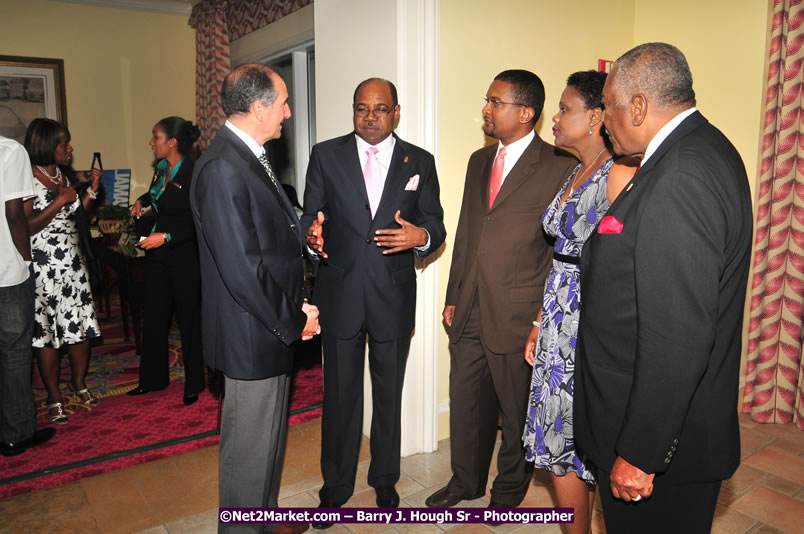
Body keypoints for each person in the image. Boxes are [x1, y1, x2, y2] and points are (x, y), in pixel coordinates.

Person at [574, 43, 752, 533]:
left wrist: (640, 452)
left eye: (607, 106)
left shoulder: (680, 176)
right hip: (659, 428)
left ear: (637, 105)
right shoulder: (701, 148)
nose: (603, 120)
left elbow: (677, 335)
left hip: (660, 448)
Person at [426, 70, 577, 510]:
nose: (486, 110)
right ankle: (464, 483)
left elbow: (556, 253)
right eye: (487, 101)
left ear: (526, 112)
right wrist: (454, 295)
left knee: (516, 413)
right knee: (467, 402)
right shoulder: (479, 160)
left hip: (519, 312)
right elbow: (469, 231)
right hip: (470, 306)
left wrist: (538, 317)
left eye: (496, 102)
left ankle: (507, 492)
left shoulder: (560, 166)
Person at [302, 77, 446, 525]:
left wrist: (420, 236)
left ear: (396, 112)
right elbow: (311, 215)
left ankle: (385, 477)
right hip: (340, 293)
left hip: (393, 295)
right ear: (353, 110)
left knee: (388, 392)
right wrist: (312, 237)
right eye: (362, 108)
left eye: (380, 109)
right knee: (340, 396)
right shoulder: (326, 154)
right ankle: (336, 486)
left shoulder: (418, 160)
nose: (370, 117)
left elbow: (435, 225)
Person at [190, 63, 318, 534]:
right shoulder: (224, 166)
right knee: (247, 453)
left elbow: (269, 237)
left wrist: (298, 298)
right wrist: (295, 318)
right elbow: (242, 269)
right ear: (259, 106)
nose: (287, 112)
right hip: (252, 331)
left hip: (267, 323)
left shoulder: (248, 155)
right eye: (283, 102)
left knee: (266, 444)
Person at [520, 71, 635, 534]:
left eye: (565, 109)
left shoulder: (620, 174)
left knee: (587, 440)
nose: (555, 117)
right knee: (556, 443)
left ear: (594, 118)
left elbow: (627, 264)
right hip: (556, 318)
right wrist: (538, 321)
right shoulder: (575, 168)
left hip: (592, 324)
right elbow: (559, 258)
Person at [23, 119, 102, 426]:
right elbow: (26, 226)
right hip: (44, 269)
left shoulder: (62, 174)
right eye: (63, 143)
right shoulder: (27, 178)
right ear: (46, 145)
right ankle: (54, 396)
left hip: (73, 264)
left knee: (78, 327)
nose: (69, 149)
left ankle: (79, 383)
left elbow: (75, 214)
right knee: (48, 334)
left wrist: (91, 191)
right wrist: (59, 200)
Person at [127, 117, 204, 406]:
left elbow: (199, 221)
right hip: (157, 255)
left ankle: (194, 383)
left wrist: (167, 236)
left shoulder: (194, 173)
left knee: (188, 320)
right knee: (155, 316)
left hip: (184, 255)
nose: (151, 142)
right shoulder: (162, 169)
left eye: (155, 137)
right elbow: (160, 196)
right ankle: (152, 379)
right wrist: (142, 200)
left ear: (172, 142)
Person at [0, 135, 57, 456]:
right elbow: (13, 213)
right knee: (14, 352)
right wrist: (25, 259)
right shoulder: (10, 151)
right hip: (7, 270)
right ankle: (17, 433)